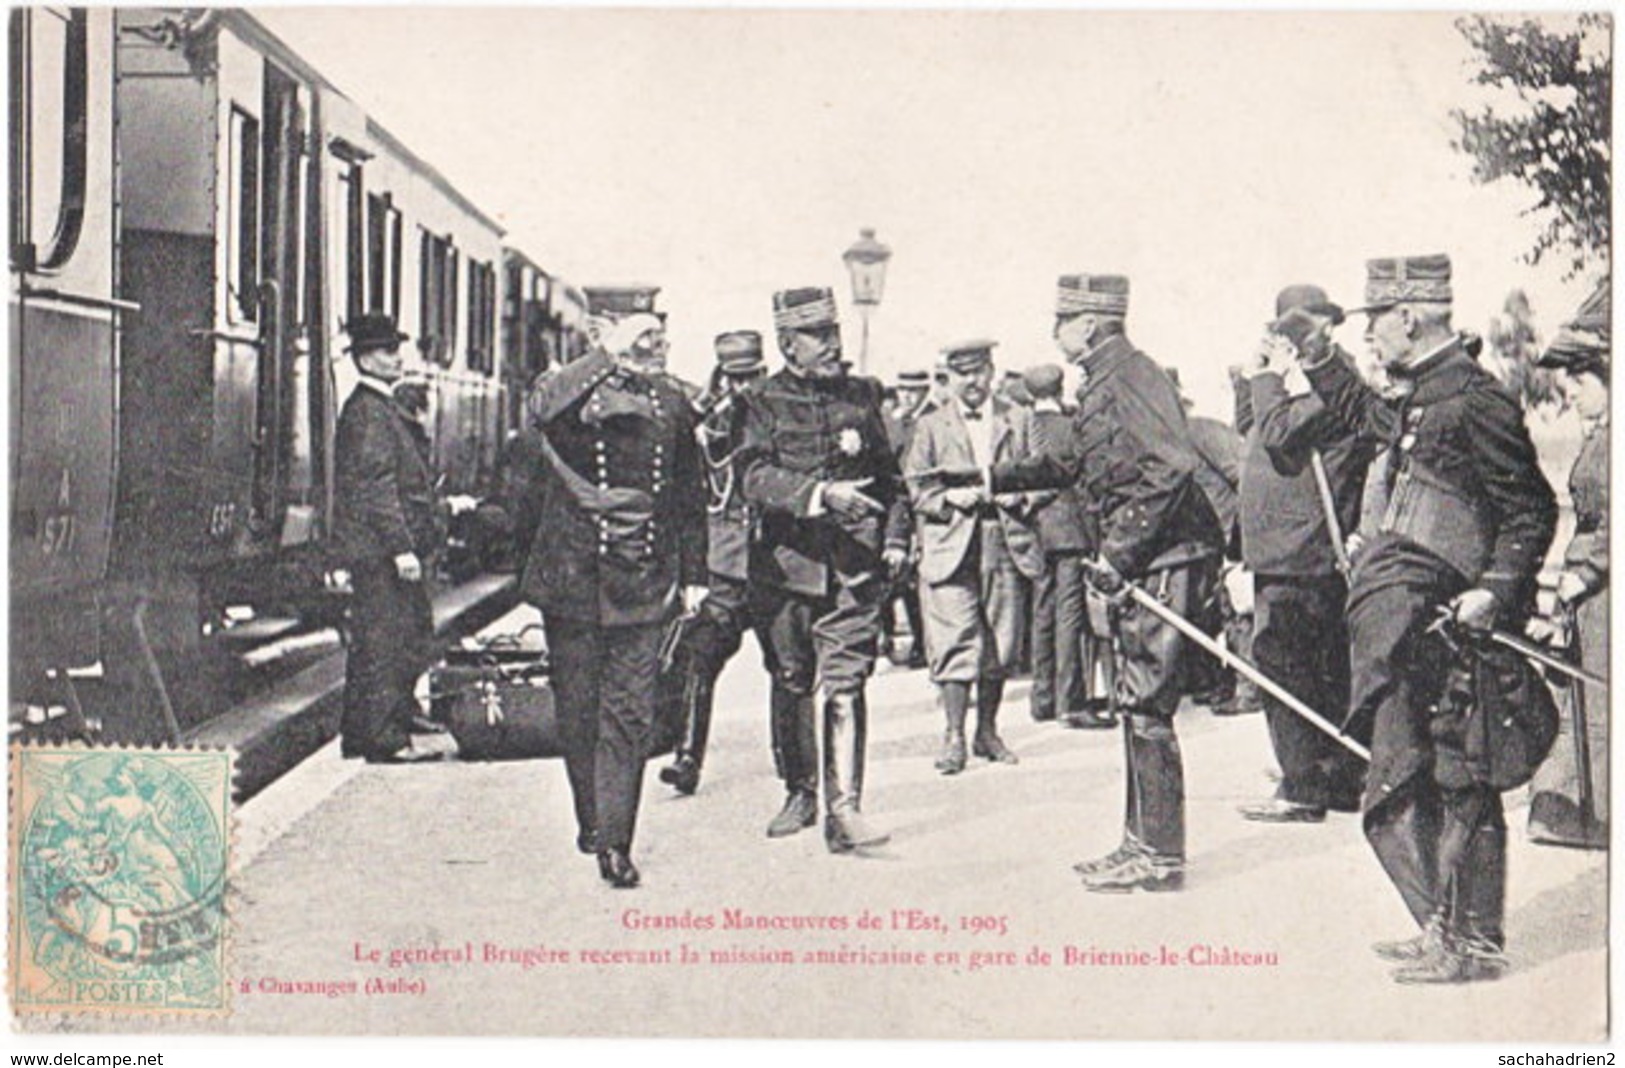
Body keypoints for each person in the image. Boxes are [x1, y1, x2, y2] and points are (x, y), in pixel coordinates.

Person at [1294, 254, 1555, 983]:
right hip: (1415, 623)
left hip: (1454, 622)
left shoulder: (1475, 399)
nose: (1371, 334)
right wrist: (1320, 356)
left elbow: (1527, 511)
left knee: (1460, 776)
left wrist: (1493, 592)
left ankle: (1471, 943)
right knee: (1416, 772)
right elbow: (1365, 414)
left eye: (1374, 320)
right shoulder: (1423, 397)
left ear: (1407, 316)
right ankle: (1443, 923)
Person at [985, 274, 1224, 892]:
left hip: (1166, 555)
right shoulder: (1105, 379)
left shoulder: (1133, 375)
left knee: (1147, 704)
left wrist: (1118, 553)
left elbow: (1171, 467)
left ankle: (1160, 855)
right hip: (1148, 556)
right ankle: (1140, 842)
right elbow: (1075, 462)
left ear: (1089, 323)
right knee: (1134, 701)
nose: (1055, 331)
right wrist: (988, 479)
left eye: (1062, 320)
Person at [517, 312, 708, 888]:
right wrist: (605, 355)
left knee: (630, 713)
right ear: (610, 341)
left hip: (643, 579)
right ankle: (592, 817)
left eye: (658, 339)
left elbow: (688, 494)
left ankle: (615, 841)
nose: (653, 349)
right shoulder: (570, 396)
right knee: (578, 711)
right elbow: (541, 409)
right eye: (640, 340)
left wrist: (696, 575)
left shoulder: (673, 405)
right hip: (573, 578)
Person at [734, 286, 905, 852]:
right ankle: (800, 790)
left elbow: (891, 481)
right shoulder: (759, 399)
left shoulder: (863, 395)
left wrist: (896, 539)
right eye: (819, 336)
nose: (833, 345)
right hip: (786, 568)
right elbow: (752, 477)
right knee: (790, 678)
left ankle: (845, 810)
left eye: (834, 332)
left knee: (847, 681)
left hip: (853, 566)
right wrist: (818, 494)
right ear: (788, 344)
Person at [1231, 284, 1377, 823]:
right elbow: (1247, 428)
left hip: (1305, 551)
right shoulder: (1296, 383)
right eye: (1287, 329)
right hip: (1285, 550)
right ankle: (1326, 775)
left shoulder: (1333, 388)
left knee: (1288, 665)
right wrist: (1258, 376)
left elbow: (1275, 434)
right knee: (1315, 666)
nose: (1299, 339)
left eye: (1308, 328)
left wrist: (1266, 376)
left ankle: (1304, 785)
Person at [904, 341, 1044, 773]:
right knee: (954, 640)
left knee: (1001, 643)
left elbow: (1045, 476)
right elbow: (915, 486)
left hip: (1003, 539)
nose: (972, 382)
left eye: (979, 372)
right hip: (950, 542)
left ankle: (987, 730)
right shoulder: (930, 425)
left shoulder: (1019, 419)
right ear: (949, 377)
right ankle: (953, 736)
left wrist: (1010, 497)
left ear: (991, 371)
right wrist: (949, 499)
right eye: (962, 374)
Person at [656, 331, 770, 796]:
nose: (742, 388)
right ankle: (687, 758)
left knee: (789, 670)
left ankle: (797, 774)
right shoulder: (709, 425)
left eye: (750, 377)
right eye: (732, 378)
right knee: (699, 658)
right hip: (724, 565)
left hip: (771, 565)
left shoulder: (779, 415)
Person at [333, 314, 448, 765]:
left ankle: (365, 731)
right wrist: (401, 547)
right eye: (387, 351)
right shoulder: (369, 413)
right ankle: (385, 740)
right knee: (386, 642)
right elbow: (376, 486)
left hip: (379, 550)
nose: (397, 358)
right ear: (365, 358)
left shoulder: (376, 409)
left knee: (386, 637)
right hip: (382, 552)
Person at [1527, 281, 1609, 850]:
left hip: (1604, 590)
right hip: (1587, 592)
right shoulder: (1600, 435)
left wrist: (1589, 571)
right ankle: (1570, 808)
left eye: (1582, 380)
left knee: (1601, 697)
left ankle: (1598, 814)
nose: (1572, 393)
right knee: (1576, 697)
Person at [1022, 363, 1109, 728]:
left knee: (1043, 613)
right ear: (1061, 389)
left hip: (1037, 530)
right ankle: (1070, 702)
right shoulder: (1069, 428)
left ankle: (1042, 697)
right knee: (1070, 617)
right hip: (1071, 531)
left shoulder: (1026, 425)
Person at [1167, 368, 1254, 715]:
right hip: (1209, 540)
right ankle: (1227, 683)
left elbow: (1243, 473)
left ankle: (1249, 691)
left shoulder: (1199, 430)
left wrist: (1243, 534)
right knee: (1221, 612)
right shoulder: (1172, 438)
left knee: (1239, 611)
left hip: (1234, 535)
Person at [881, 369, 932, 669]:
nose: (908, 397)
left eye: (914, 391)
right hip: (899, 509)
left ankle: (925, 645)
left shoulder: (929, 422)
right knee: (900, 583)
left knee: (918, 584)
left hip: (922, 510)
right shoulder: (896, 423)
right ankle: (907, 641)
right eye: (903, 391)